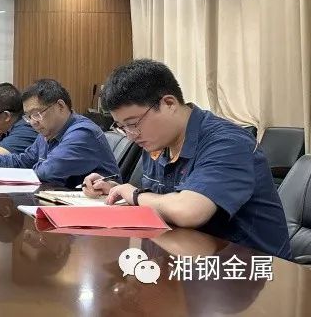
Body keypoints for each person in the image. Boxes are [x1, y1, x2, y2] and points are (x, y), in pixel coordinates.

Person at [83, 59, 291, 259]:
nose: (130, 135)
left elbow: (189, 210)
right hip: (189, 259)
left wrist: (134, 194)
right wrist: (116, 190)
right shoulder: (156, 141)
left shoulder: (227, 142)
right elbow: (162, 201)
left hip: (250, 270)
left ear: (169, 103)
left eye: (133, 123)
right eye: (122, 127)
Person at [0, 79, 118, 188]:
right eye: (28, 116)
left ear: (60, 106)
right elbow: (24, 160)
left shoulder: (83, 133)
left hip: (96, 207)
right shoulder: (47, 132)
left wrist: (29, 167)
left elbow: (48, 171)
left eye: (36, 114)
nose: (33, 122)